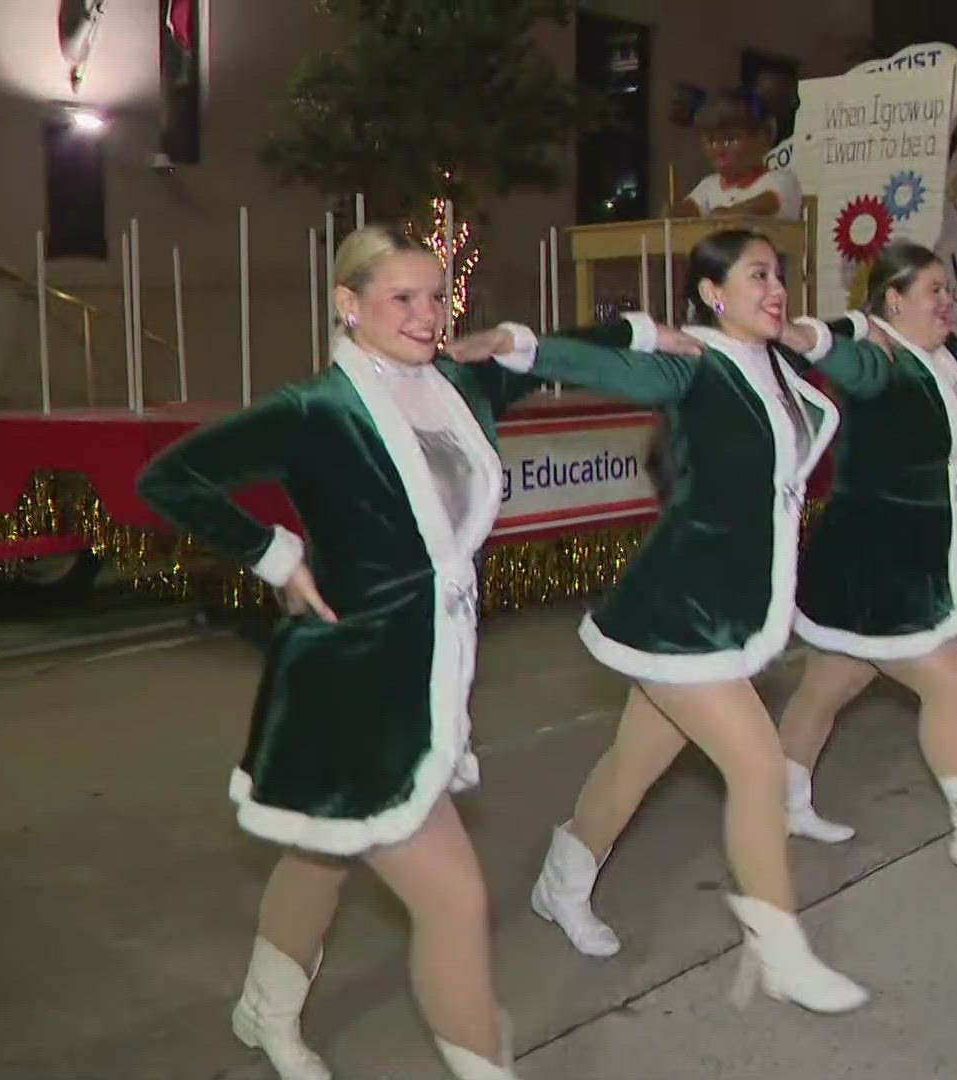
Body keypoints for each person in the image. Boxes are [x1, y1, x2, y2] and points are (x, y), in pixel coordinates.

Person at [136, 225, 692, 1080]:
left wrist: (654, 333)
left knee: (321, 855)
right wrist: (275, 557)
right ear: (348, 306)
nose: (429, 315)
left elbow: (562, 347)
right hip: (348, 688)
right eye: (404, 298)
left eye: (437, 296)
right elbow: (168, 478)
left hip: (428, 675)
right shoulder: (317, 410)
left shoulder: (460, 385)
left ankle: (263, 1010)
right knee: (456, 900)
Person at [450, 229, 866, 1015]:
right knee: (758, 770)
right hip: (679, 613)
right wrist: (520, 344)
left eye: (779, 276)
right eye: (755, 277)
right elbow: (606, 365)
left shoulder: (779, 370)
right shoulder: (697, 362)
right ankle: (781, 950)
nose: (775, 289)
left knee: (632, 764)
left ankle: (560, 881)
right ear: (711, 294)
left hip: (729, 609)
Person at [763, 242, 957, 882]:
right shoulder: (879, 358)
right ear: (893, 298)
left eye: (949, 290)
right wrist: (801, 330)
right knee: (950, 682)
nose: (947, 300)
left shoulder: (937, 354)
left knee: (830, 684)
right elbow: (836, 351)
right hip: (877, 563)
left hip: (907, 552)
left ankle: (782, 800)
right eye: (934, 291)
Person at [673, 90, 803, 220]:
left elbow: (766, 204)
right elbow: (689, 209)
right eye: (711, 142)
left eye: (730, 140)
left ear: (763, 139)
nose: (719, 150)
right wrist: (672, 213)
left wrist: (729, 213)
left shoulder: (781, 180)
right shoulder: (709, 185)